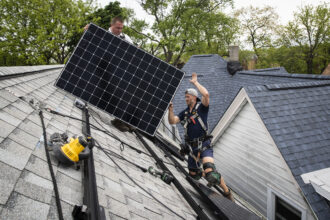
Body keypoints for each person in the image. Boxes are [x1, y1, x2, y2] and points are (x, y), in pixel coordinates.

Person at [168, 72, 234, 201]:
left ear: (193, 97)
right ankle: (207, 175)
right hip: (192, 148)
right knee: (193, 174)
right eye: (185, 97)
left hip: (204, 145)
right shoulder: (185, 113)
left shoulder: (202, 108)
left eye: (187, 97)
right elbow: (172, 121)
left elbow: (206, 94)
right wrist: (170, 111)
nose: (186, 99)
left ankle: (227, 192)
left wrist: (195, 83)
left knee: (211, 172)